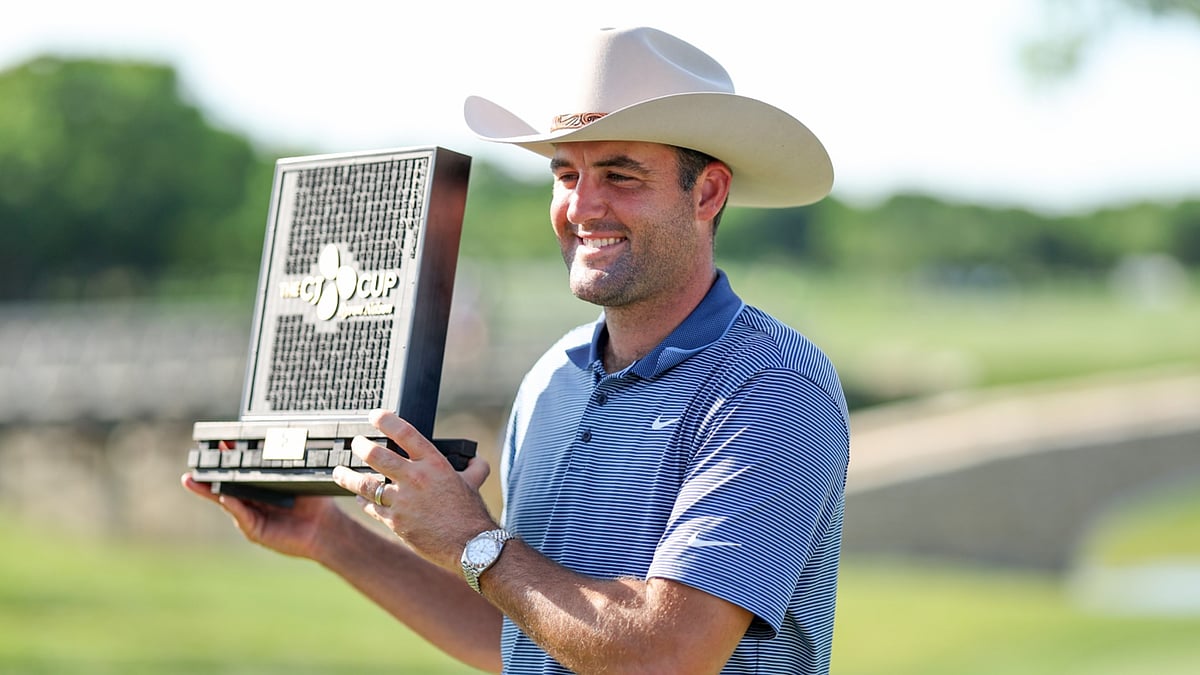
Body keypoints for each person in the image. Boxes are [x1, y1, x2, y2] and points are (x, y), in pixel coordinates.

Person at [183, 26, 850, 674]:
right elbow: (525, 634)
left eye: (620, 175)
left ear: (706, 192)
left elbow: (665, 656)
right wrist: (331, 536)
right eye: (566, 174)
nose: (582, 205)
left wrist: (475, 539)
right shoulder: (551, 379)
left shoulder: (773, 385)